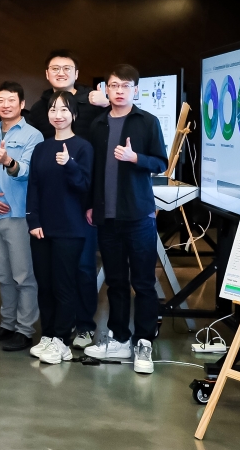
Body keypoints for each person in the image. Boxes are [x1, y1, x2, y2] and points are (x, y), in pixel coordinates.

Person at [83, 65, 168, 375]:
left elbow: (161, 162)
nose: (119, 91)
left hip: (138, 215)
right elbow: (92, 170)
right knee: (116, 282)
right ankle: (119, 338)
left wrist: (135, 158)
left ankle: (144, 341)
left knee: (143, 282)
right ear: (106, 89)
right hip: (107, 216)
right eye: (114, 85)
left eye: (125, 86)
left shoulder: (147, 121)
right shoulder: (97, 124)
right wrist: (91, 204)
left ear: (136, 90)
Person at [25, 50, 105, 349]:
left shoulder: (85, 138)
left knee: (73, 277)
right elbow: (34, 185)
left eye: (64, 110)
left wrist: (69, 165)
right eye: (53, 110)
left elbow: (85, 182)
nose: (58, 114)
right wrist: (33, 219)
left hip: (75, 220)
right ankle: (50, 334)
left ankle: (72, 332)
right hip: (45, 223)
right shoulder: (41, 141)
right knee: (46, 283)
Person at [0, 82, 44, 352]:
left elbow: (29, 171)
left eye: (11, 100)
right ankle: (7, 324)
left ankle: (25, 329)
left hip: (18, 214)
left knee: (23, 276)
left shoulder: (33, 135)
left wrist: (8, 161)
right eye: (1, 101)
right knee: (2, 275)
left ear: (22, 104)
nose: (6, 105)